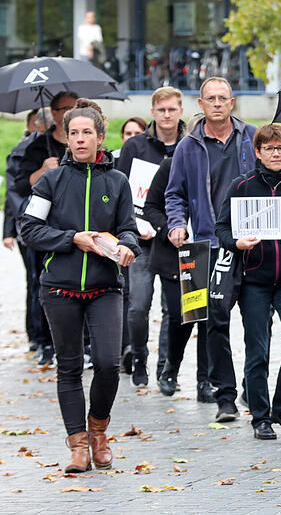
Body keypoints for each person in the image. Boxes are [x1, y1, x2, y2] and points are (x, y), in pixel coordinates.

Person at [18, 105, 140, 473]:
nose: (81, 139)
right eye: (74, 134)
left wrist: (128, 247)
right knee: (68, 367)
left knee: (107, 363)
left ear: (100, 138)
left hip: (105, 287)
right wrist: (73, 238)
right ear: (67, 138)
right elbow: (29, 229)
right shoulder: (50, 182)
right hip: (59, 288)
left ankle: (99, 431)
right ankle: (78, 445)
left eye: (88, 133)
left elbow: (129, 228)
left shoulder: (117, 181)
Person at [165, 77, 257, 422]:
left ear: (232, 102)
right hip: (207, 244)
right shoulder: (189, 146)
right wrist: (177, 223)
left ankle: (253, 385)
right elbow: (174, 193)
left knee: (257, 321)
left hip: (251, 241)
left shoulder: (251, 137)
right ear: (200, 105)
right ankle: (224, 395)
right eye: (210, 99)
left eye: (223, 98)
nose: (217, 103)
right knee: (213, 320)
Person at [216, 124, 281, 441]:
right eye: (269, 148)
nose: (276, 153)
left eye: (280, 147)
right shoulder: (242, 186)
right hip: (254, 281)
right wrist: (236, 244)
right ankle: (259, 417)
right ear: (257, 151)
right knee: (258, 350)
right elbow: (222, 229)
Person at [116, 87, 186, 386]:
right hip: (141, 239)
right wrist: (128, 226)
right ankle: (139, 356)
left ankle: (166, 367)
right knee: (138, 305)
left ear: (180, 111)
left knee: (174, 309)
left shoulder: (190, 145)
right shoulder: (135, 146)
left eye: (172, 109)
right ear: (153, 112)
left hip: (177, 240)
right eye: (162, 110)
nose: (167, 115)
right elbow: (120, 189)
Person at [145, 114, 213, 403]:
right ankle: (170, 367)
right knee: (180, 317)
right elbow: (151, 206)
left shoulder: (219, 167)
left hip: (208, 251)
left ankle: (204, 381)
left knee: (208, 319)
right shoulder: (170, 165)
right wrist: (171, 228)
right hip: (176, 255)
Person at [15, 91, 79, 365]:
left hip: (78, 228)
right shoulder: (37, 146)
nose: (67, 113)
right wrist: (43, 169)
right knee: (42, 284)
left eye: (73, 108)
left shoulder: (84, 141)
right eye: (63, 109)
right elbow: (19, 186)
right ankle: (44, 341)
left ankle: (80, 343)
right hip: (45, 229)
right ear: (52, 113)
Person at [4, 108, 52, 352]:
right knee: (35, 282)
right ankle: (37, 336)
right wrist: (10, 230)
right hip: (30, 227)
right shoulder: (23, 151)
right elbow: (14, 193)